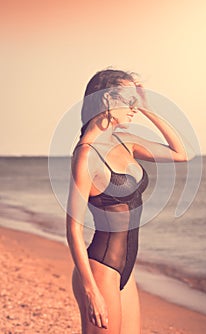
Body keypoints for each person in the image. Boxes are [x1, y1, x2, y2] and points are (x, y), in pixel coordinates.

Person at [66, 68, 188, 334]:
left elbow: (181, 153)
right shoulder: (87, 155)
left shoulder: (126, 142)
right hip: (101, 270)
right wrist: (90, 291)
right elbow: (73, 229)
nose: (133, 108)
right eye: (129, 100)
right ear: (108, 100)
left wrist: (147, 107)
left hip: (126, 270)